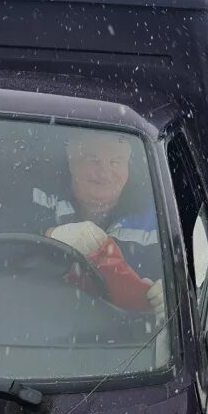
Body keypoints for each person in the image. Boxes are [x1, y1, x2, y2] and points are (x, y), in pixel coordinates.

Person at [33, 130, 163, 313]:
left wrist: (167, 292)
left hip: (122, 336)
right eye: (93, 160)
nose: (104, 172)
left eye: (115, 161)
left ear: (127, 167)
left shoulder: (156, 215)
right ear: (72, 162)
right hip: (38, 320)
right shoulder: (39, 195)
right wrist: (50, 236)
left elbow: (179, 272)